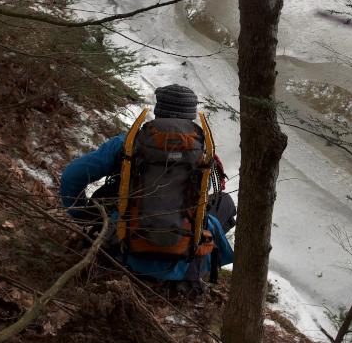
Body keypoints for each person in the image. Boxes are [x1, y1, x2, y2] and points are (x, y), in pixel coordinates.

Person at [60, 84, 235, 283]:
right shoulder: (203, 151)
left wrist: (84, 214)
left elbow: (71, 177)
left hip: (123, 251)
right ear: (191, 115)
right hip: (183, 263)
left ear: (158, 110)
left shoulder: (129, 143)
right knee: (225, 202)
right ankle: (195, 268)